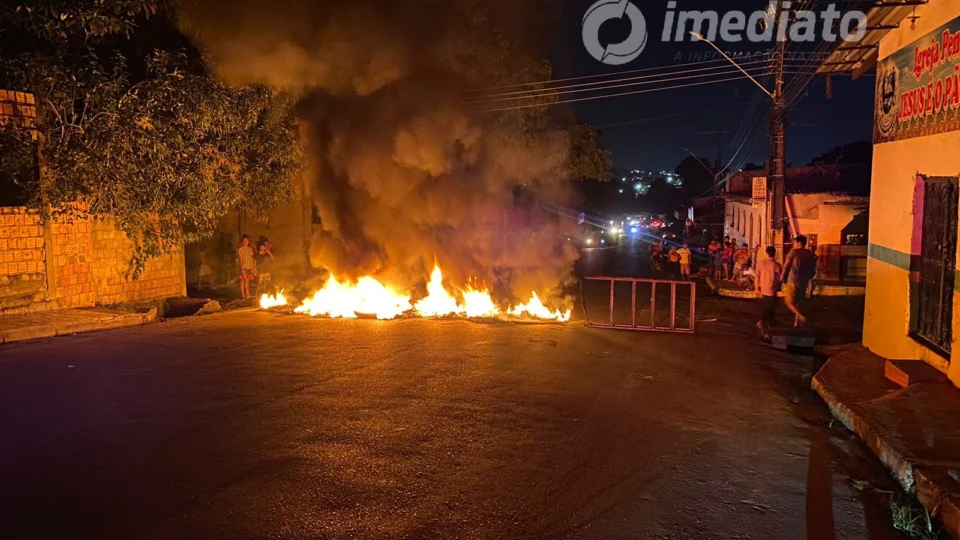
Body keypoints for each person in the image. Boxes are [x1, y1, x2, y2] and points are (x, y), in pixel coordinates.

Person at [781, 235, 817, 327]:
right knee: (798, 303)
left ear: (799, 243)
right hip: (803, 281)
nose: (794, 244)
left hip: (793, 279)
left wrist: (782, 275)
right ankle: (796, 322)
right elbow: (812, 268)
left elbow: (786, 265)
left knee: (788, 302)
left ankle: (800, 316)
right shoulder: (809, 253)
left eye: (795, 242)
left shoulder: (793, 252)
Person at [754, 246, 782, 330]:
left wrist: (756, 288)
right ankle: (763, 322)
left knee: (767, 307)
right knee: (770, 308)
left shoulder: (760, 263)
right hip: (772, 289)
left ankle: (766, 323)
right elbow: (779, 279)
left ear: (766, 253)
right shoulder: (777, 265)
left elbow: (756, 277)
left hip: (763, 288)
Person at [237, 235, 257, 300]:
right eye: (244, 241)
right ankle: (244, 295)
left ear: (248, 242)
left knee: (247, 281)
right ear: (243, 242)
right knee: (243, 280)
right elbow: (241, 259)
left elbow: (252, 258)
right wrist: (242, 269)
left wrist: (254, 268)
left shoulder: (250, 249)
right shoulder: (241, 249)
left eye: (246, 241)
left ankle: (247, 294)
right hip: (244, 267)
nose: (245, 242)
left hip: (249, 267)